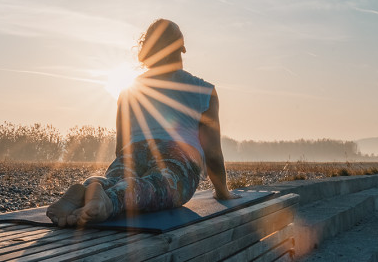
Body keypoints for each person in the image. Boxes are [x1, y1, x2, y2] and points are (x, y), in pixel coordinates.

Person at [46, 19, 237, 227]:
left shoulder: (128, 91)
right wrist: (222, 192)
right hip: (178, 152)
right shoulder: (203, 90)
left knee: (117, 180)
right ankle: (108, 202)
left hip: (133, 150)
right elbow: (213, 154)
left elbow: (121, 147)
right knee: (157, 185)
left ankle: (88, 188)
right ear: (182, 48)